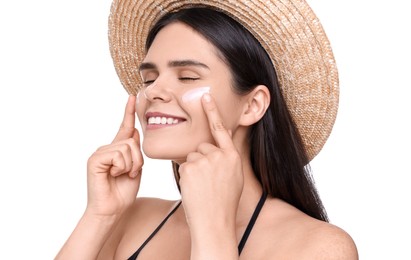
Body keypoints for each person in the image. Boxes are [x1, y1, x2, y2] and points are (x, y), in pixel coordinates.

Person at [56, 0, 358, 259]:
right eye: (149, 79)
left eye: (187, 77)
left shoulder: (319, 247)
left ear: (252, 105)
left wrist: (212, 229)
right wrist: (100, 216)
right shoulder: (131, 220)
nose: (153, 92)